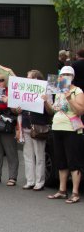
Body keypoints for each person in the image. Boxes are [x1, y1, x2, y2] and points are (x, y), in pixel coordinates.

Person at [44, 66, 82, 204]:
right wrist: (46, 101)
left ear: (72, 76)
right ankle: (62, 190)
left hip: (71, 129)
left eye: (67, 74)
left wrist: (70, 98)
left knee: (73, 161)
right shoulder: (58, 91)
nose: (63, 77)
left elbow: (80, 111)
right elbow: (53, 111)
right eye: (62, 74)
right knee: (61, 161)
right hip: (57, 127)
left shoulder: (77, 91)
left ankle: (75, 192)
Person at [16, 70, 50, 191]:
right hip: (26, 125)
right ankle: (30, 180)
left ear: (36, 79)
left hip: (38, 126)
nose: (26, 79)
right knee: (28, 155)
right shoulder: (24, 91)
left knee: (39, 155)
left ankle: (39, 182)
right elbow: (17, 109)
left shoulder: (45, 92)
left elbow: (50, 112)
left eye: (29, 77)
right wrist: (18, 110)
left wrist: (45, 101)